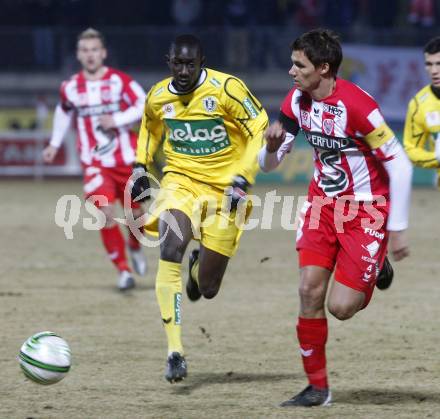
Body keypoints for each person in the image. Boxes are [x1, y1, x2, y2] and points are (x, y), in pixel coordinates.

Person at [258, 28, 412, 407]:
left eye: (300, 65)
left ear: (323, 68)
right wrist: (270, 148)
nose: (292, 71)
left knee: (341, 308)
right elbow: (269, 166)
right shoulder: (296, 102)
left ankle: (375, 267)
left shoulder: (359, 107)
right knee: (309, 291)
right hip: (321, 208)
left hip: (365, 213)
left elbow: (401, 166)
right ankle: (318, 388)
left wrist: (396, 228)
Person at [131, 34, 268, 383]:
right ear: (168, 60)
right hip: (180, 183)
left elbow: (259, 126)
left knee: (208, 287)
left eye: (191, 64)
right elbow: (149, 127)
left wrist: (243, 177)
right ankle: (175, 351)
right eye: (178, 63)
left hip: (226, 192)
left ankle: (197, 272)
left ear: (201, 62)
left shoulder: (228, 89)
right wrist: (140, 165)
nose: (184, 70)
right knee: (170, 246)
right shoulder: (159, 95)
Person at [43, 28, 147, 291]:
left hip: (127, 159)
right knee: (105, 213)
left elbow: (143, 104)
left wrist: (117, 119)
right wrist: (54, 143)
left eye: (94, 50)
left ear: (103, 53)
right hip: (94, 163)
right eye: (85, 51)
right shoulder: (71, 87)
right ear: (79, 55)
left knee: (137, 216)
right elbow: (64, 111)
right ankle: (123, 271)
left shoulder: (120, 81)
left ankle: (135, 247)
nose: (90, 55)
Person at [404, 37, 440, 182]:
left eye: (439, 64)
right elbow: (411, 149)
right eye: (429, 64)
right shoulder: (419, 104)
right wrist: (436, 158)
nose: (434, 71)